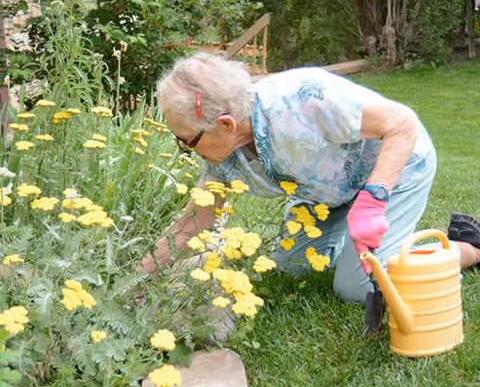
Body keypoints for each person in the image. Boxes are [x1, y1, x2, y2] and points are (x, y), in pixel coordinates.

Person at [139, 52, 480, 305]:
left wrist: (373, 200)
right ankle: (353, 243)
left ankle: (469, 247)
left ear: (225, 124)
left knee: (359, 289)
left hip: (396, 166)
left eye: (187, 141)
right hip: (328, 193)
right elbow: (192, 222)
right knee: (290, 268)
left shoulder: (303, 100)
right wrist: (139, 277)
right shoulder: (223, 156)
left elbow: (402, 123)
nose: (185, 148)